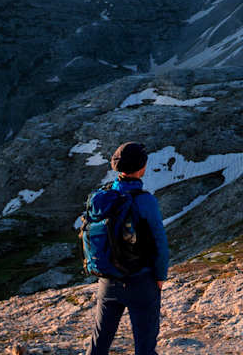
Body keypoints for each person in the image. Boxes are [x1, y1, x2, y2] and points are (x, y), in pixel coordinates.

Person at [86, 142, 169, 355]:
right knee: (144, 346)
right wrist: (160, 276)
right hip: (140, 280)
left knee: (100, 342)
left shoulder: (102, 198)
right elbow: (159, 241)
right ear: (141, 167)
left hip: (108, 280)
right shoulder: (145, 200)